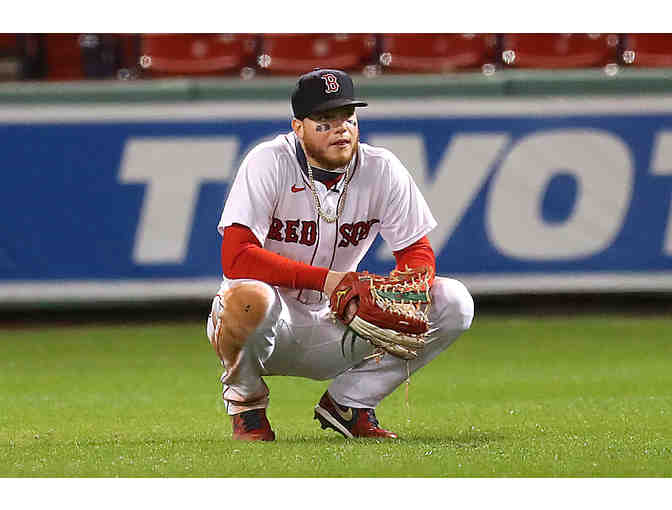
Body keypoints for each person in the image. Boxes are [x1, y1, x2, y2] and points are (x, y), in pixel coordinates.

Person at [206, 68, 474, 441]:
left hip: (342, 322)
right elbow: (236, 257)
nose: (341, 128)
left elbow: (416, 249)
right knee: (244, 298)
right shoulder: (268, 162)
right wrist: (330, 281)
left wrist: (404, 287)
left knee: (454, 302)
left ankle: (349, 404)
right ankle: (247, 405)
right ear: (298, 127)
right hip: (273, 325)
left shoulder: (381, 168)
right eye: (325, 120)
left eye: (348, 117)